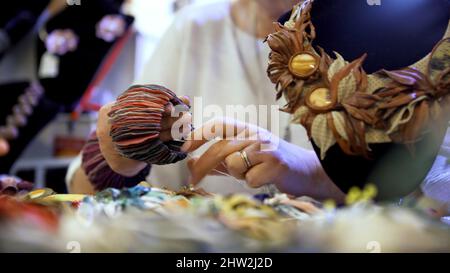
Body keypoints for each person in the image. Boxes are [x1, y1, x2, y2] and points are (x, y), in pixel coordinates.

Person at [68, 0, 311, 195]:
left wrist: (312, 173)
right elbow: (81, 190)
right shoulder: (195, 27)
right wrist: (121, 161)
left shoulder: (346, 33)